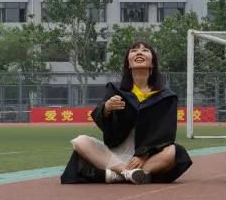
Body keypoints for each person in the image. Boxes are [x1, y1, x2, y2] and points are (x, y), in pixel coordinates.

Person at [61, 41, 192, 184]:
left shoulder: (166, 97)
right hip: (115, 153)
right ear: (128, 64)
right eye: (134, 50)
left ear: (153, 63)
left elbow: (165, 134)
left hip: (148, 157)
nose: (139, 52)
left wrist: (144, 154)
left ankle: (119, 174)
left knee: (175, 151)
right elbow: (100, 118)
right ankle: (127, 172)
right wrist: (106, 108)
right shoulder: (116, 91)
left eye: (145, 50)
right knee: (81, 141)